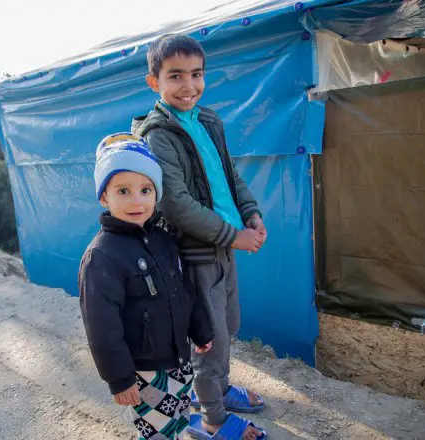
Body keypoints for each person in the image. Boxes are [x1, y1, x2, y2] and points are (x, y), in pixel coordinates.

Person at [132, 34, 268, 440]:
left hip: (225, 247)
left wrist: (252, 212)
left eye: (196, 74)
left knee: (230, 325)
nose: (189, 86)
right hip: (196, 254)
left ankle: (219, 392)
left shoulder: (208, 120)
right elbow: (176, 205)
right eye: (175, 76)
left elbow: (231, 175)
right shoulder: (156, 134)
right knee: (209, 341)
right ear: (153, 81)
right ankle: (212, 419)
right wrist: (234, 235)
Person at [79, 132, 214, 440]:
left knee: (179, 417)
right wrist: (120, 378)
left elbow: (182, 292)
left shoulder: (163, 239)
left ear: (156, 193)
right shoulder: (102, 256)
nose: (136, 201)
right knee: (156, 432)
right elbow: (102, 327)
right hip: (145, 372)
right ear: (104, 196)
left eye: (145, 190)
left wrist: (200, 329)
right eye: (123, 191)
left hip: (179, 358)